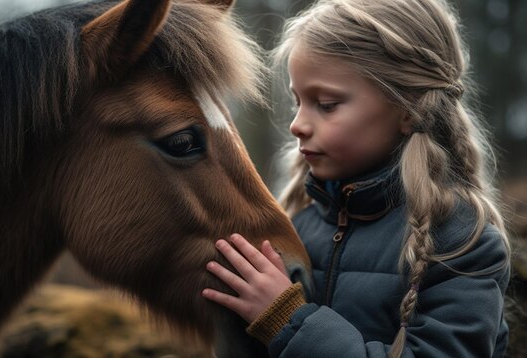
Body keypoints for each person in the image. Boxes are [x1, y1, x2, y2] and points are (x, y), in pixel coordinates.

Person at [201, 0, 512, 357]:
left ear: (408, 108)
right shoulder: (300, 223)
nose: (296, 124)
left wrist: (284, 319)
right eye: (297, 101)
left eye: (327, 104)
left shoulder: (461, 240)